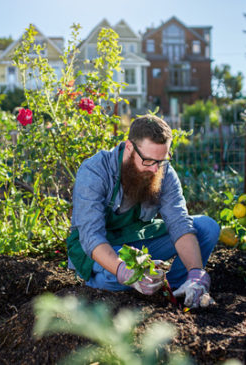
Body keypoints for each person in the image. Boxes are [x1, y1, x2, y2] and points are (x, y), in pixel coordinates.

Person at [67, 115, 220, 308]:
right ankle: (107, 285)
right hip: (99, 248)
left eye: (162, 161)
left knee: (207, 228)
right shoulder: (95, 171)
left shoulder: (163, 172)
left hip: (137, 240)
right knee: (112, 276)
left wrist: (197, 273)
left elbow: (179, 223)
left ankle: (175, 289)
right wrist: (124, 271)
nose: (156, 169)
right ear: (129, 147)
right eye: (148, 161)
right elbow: (91, 236)